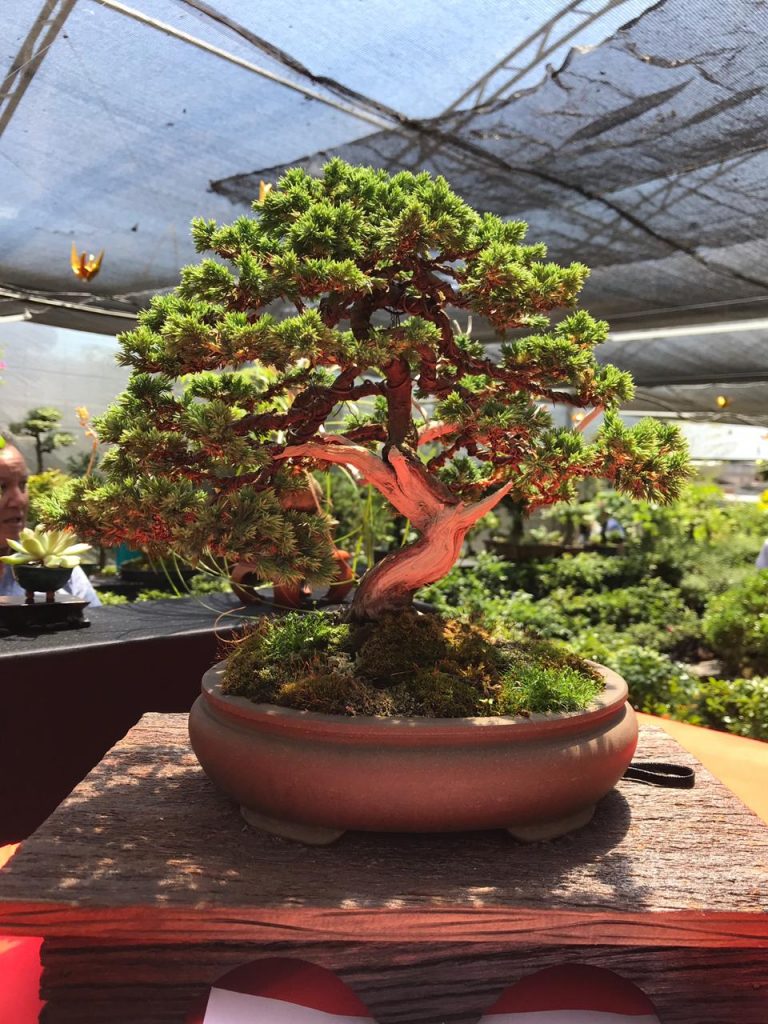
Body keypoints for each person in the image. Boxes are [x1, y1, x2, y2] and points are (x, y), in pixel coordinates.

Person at [0, 439, 100, 604]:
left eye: (23, 484)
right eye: (2, 486)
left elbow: (94, 616)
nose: (19, 500)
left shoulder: (58, 566)